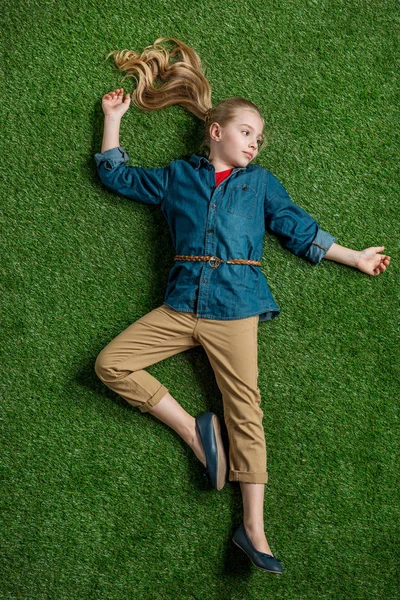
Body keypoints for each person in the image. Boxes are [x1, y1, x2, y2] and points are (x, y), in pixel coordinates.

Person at [93, 37, 390, 574]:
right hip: (182, 305)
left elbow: (296, 228)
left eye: (259, 137)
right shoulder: (177, 177)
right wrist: (113, 119)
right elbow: (117, 175)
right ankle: (195, 434)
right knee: (110, 363)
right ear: (217, 131)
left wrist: (353, 256)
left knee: (246, 412)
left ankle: (253, 529)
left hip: (235, 306)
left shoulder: (260, 184)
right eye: (246, 132)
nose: (255, 143)